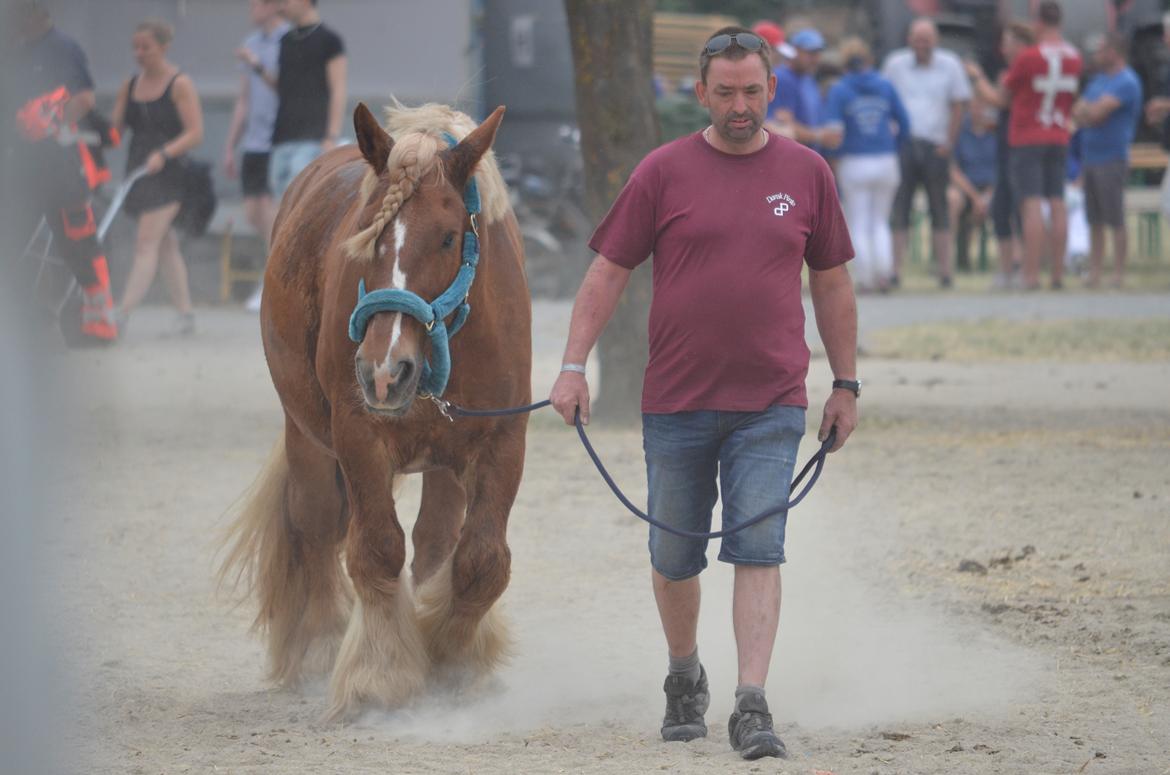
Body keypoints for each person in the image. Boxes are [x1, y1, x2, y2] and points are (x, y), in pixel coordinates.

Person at [549, 26, 858, 761]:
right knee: (675, 551)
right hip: (677, 401)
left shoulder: (808, 172)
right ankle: (684, 672)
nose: (741, 105)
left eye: (753, 91)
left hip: (772, 400)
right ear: (702, 94)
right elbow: (607, 273)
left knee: (758, 543)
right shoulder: (662, 171)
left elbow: (834, 282)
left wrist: (845, 383)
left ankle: (751, 702)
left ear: (772, 90)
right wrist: (570, 365)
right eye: (726, 93)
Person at [2, 1, 117, 341]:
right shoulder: (13, 52)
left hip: (63, 170)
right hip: (20, 170)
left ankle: (100, 322)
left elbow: (84, 100)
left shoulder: (64, 49)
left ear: (35, 12)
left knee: (77, 243)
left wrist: (50, 119)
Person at [109, 19, 203, 336]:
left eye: (145, 47)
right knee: (165, 244)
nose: (139, 53)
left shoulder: (179, 84)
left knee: (146, 243)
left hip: (169, 173)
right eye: (135, 47)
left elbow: (195, 133)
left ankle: (120, 315)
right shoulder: (130, 85)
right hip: (138, 172)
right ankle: (186, 313)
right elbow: (115, 131)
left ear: (163, 47)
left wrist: (164, 153)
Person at [882, 18, 972, 288]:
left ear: (936, 40)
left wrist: (949, 142)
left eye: (927, 39)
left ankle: (945, 271)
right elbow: (883, 102)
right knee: (900, 208)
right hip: (905, 145)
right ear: (909, 39)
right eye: (918, 39)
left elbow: (959, 105)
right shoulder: (895, 65)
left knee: (940, 208)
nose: (922, 44)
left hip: (936, 144)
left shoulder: (951, 64)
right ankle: (895, 270)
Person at [1002, 0, 1082, 290]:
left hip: (1028, 134)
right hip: (1059, 133)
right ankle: (1058, 273)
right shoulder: (1074, 56)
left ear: (1038, 21)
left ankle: (1031, 274)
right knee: (1057, 201)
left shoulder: (1028, 57)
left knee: (1032, 203)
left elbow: (1005, 94)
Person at [822, 36, 911, 292]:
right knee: (880, 221)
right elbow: (905, 125)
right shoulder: (885, 85)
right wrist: (893, 146)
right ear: (869, 59)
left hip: (854, 161)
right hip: (885, 159)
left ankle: (866, 279)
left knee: (858, 221)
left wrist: (834, 156)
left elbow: (834, 131)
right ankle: (885, 274)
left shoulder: (839, 89)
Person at [240, 0, 347, 202]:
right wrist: (257, 66)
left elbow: (338, 89)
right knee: (282, 204)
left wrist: (331, 136)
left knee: (301, 201)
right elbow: (283, 86)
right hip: (282, 137)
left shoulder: (330, 41)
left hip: (312, 139)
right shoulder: (285, 41)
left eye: (286, 1)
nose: (282, 6)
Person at [223, 0, 289, 311]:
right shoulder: (250, 43)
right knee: (253, 214)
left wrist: (257, 64)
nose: (252, 7)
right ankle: (276, 273)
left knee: (270, 215)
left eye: (259, 3)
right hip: (254, 142)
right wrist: (230, 145)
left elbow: (286, 89)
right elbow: (243, 99)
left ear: (275, 6)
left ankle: (272, 284)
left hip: (279, 140)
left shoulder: (288, 40)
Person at [967, 21, 1035, 289]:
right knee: (1001, 209)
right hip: (1006, 147)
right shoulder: (1013, 72)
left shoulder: (1024, 70)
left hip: (1021, 148)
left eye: (1007, 42)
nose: (1002, 48)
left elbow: (999, 100)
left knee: (1020, 211)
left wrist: (976, 76)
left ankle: (1022, 269)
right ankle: (1006, 271)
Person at [1073, 32, 1142, 288]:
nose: (1096, 55)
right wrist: (1088, 112)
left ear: (1114, 51)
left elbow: (1096, 114)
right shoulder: (1098, 81)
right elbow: (1079, 111)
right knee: (1094, 220)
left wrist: (1088, 112)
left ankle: (1118, 273)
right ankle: (1095, 272)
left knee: (1115, 217)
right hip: (1090, 158)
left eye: (1101, 50)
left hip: (1112, 158)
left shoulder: (1127, 82)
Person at [947, 99, 998, 273]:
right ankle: (950, 262)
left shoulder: (996, 134)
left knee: (1010, 200)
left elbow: (1002, 170)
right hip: (967, 190)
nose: (980, 111)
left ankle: (1014, 262)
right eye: (976, 106)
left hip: (992, 190)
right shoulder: (960, 133)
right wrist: (976, 197)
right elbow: (953, 170)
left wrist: (986, 196)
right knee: (953, 199)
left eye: (984, 106)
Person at [767, 28, 828, 149]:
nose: (815, 59)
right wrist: (819, 136)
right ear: (795, 51)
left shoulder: (808, 79)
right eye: (810, 53)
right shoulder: (781, 79)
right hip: (790, 155)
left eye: (818, 53)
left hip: (811, 153)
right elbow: (779, 125)